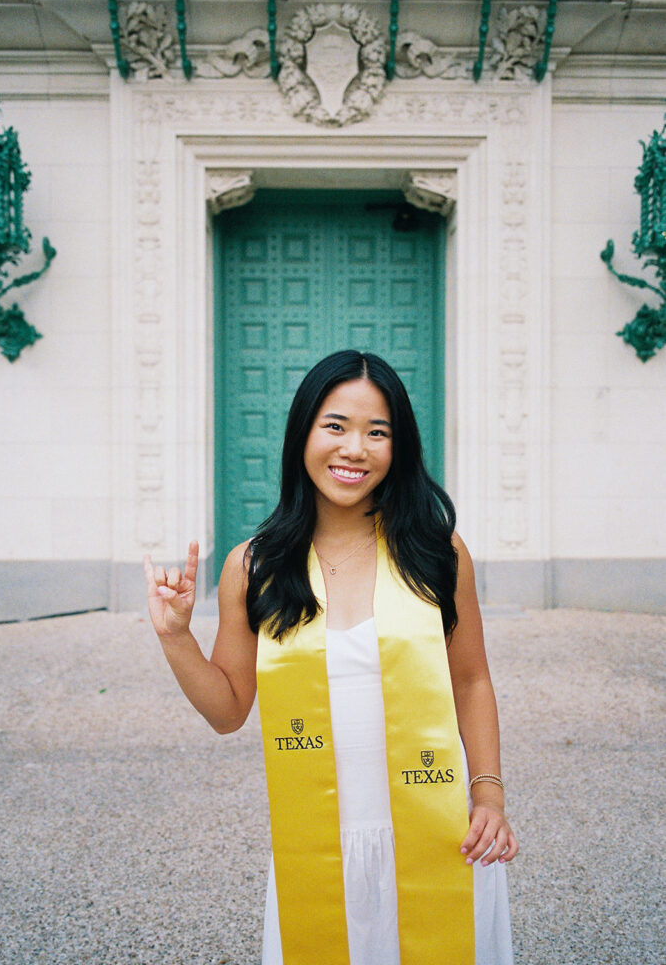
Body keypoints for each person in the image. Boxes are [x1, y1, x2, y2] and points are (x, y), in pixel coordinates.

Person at [144, 349, 518, 965]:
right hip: (317, 846)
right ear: (303, 434)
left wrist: (490, 798)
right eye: (336, 426)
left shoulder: (436, 552)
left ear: (399, 448)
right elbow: (227, 710)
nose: (355, 449)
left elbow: (472, 681)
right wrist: (175, 636)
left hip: (439, 833)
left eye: (378, 433)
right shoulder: (255, 565)